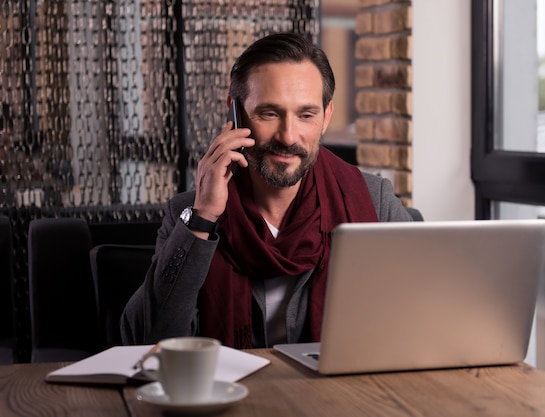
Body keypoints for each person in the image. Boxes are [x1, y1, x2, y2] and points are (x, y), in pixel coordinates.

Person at [121, 32, 415, 349]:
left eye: (306, 115)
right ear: (234, 112)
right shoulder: (189, 212)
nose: (288, 137)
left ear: (326, 117)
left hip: (337, 393)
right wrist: (203, 218)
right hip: (231, 394)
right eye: (269, 113)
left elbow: (422, 318)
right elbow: (144, 341)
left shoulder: (373, 201)